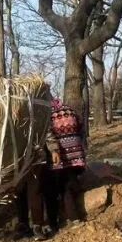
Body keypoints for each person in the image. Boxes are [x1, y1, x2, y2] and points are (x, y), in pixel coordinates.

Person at [46, 98, 86, 229]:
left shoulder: (49, 114)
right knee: (71, 182)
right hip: (76, 153)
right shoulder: (71, 111)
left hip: (60, 155)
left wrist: (54, 150)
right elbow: (82, 129)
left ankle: (68, 218)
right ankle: (75, 214)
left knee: (61, 187)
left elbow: (48, 134)